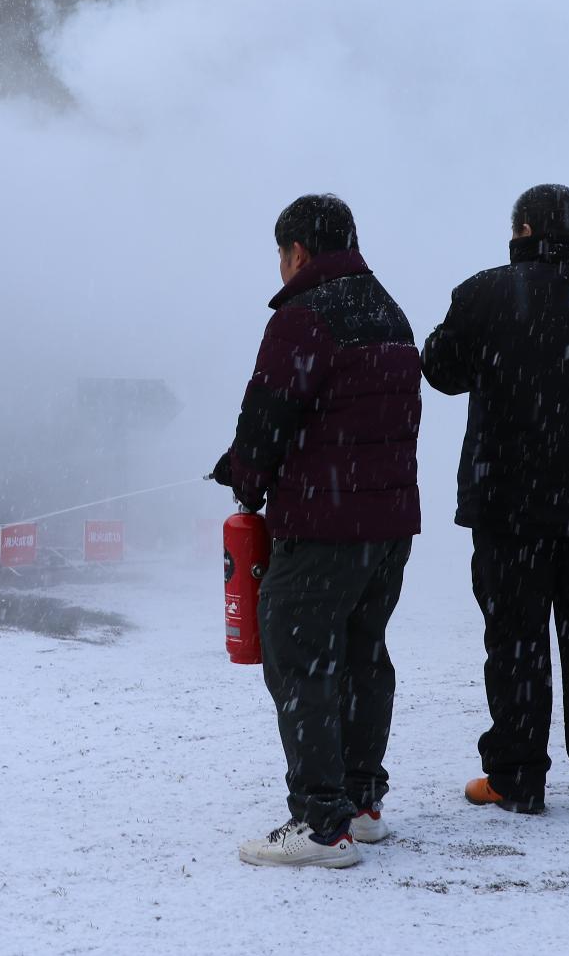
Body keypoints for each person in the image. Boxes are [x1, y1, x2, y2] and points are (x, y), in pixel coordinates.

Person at [421, 184, 569, 814]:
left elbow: (440, 370)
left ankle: (516, 776)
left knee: (514, 641)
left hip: (508, 503)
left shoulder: (485, 293)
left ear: (522, 228)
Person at [211, 194, 422, 869]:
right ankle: (361, 805)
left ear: (297, 251)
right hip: (387, 525)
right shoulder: (389, 310)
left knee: (300, 657)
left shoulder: (304, 317)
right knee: (363, 655)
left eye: (280, 254)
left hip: (324, 520)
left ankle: (319, 821)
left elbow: (268, 415)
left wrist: (245, 478)